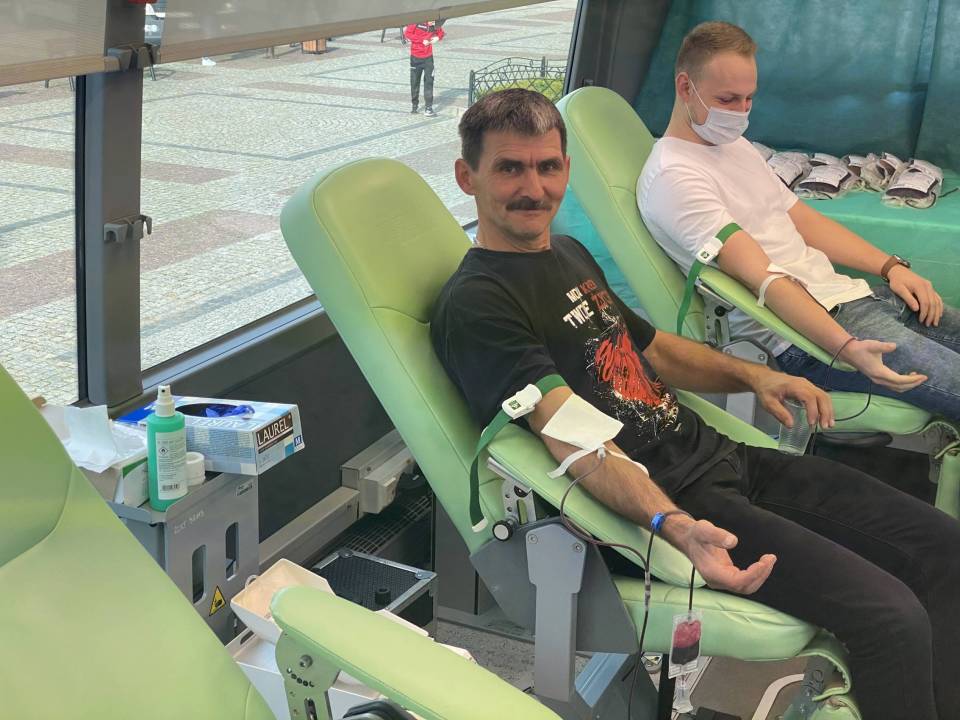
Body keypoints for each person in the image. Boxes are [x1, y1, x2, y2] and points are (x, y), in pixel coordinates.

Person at [430, 88, 960, 720]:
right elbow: (570, 433)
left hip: (724, 459)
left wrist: (756, 377)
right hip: (676, 502)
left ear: (566, 169)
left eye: (547, 167)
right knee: (891, 617)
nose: (533, 187)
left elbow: (653, 349)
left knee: (945, 548)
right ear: (467, 176)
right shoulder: (479, 302)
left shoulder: (566, 255)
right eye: (510, 168)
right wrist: (674, 525)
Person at [637, 21, 960, 422]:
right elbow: (764, 278)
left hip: (853, 299)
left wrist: (891, 267)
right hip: (806, 340)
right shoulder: (675, 177)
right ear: (686, 87)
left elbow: (802, 218)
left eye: (749, 99)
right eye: (727, 99)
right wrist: (845, 348)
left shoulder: (735, 146)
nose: (740, 112)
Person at [403, 20, 444, 116]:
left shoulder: (433, 22)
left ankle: (428, 108)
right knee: (414, 82)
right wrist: (422, 40)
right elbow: (407, 34)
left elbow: (441, 32)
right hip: (415, 57)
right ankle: (414, 105)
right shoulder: (416, 21)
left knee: (429, 82)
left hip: (428, 58)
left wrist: (437, 38)